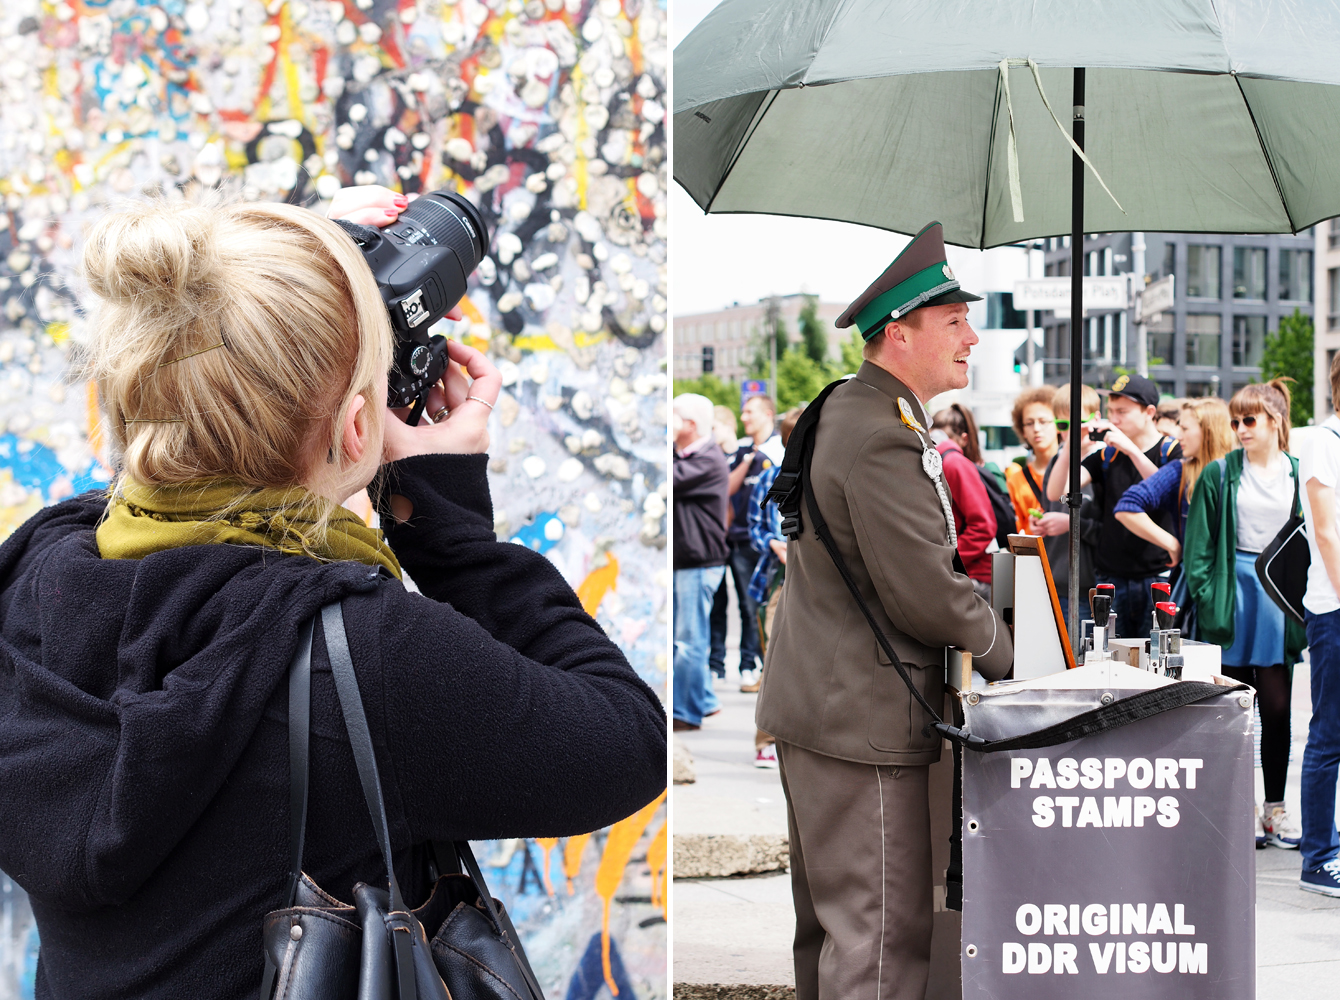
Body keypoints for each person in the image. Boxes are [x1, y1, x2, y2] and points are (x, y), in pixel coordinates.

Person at [0, 190, 667, 1000]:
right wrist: (447, 525)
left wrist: (267, 272)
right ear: (360, 429)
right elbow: (628, 744)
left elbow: (186, 424)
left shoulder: (37, 577)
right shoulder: (368, 654)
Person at [757, 222, 1012, 1000]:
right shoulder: (883, 434)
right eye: (954, 322)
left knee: (834, 938)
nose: (972, 335)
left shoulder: (854, 408)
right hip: (862, 723)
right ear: (900, 334)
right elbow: (927, 591)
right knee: (880, 942)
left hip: (825, 709)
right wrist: (1013, 653)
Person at [1183, 380, 1304, 851]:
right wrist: (1212, 597)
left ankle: (1275, 806)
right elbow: (1198, 550)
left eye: (1249, 420)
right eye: (1235, 421)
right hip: (1231, 593)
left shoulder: (1298, 470)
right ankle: (1239, 807)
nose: (1239, 429)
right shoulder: (1219, 473)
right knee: (1232, 708)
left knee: (1276, 706)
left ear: (1274, 420)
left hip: (1278, 594)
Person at [1046, 374, 1182, 638]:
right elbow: (1057, 492)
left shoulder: (1171, 450)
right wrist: (1073, 441)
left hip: (1157, 576)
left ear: (1149, 412)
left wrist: (1131, 450)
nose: (1115, 419)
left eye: (1123, 411)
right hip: (1110, 577)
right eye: (1111, 411)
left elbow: (1167, 492)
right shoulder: (1107, 455)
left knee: (1153, 655)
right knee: (1110, 658)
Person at [1298, 353, 1340, 895]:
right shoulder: (1325, 444)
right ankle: (1317, 856)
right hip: (1334, 608)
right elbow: (1327, 532)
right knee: (1329, 734)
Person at [744, 404, 806, 767]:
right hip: (776, 582)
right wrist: (773, 544)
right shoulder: (773, 475)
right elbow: (752, 527)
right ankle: (765, 741)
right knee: (774, 662)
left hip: (811, 584)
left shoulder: (824, 473)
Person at [710, 394, 782, 690]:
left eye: (749, 412)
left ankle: (752, 665)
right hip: (737, 538)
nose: (744, 418)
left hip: (764, 544)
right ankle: (722, 665)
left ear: (767, 413)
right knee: (729, 606)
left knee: (754, 607)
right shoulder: (742, 452)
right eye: (741, 412)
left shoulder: (778, 451)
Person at [1114, 397, 1233, 571]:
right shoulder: (1180, 471)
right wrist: (1172, 544)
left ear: (1208, 431)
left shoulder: (1238, 471)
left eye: (1184, 428)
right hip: (1193, 580)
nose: (1178, 436)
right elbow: (1126, 506)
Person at [673, 392, 729, 731]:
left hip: (698, 562)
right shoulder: (690, 454)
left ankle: (687, 713)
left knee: (688, 642)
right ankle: (705, 701)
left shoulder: (707, 459)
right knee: (691, 638)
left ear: (691, 424)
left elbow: (671, 479)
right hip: (691, 561)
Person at [1036, 384, 1103, 623]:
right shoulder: (1058, 459)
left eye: (1077, 425)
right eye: (1062, 426)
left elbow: (1111, 531)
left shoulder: (1104, 461)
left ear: (1095, 419)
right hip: (1056, 579)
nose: (1069, 434)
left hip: (1090, 585)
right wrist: (1042, 524)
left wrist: (1070, 523)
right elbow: (1052, 501)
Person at [931, 406, 997, 599]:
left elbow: (983, 526)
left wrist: (947, 560)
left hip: (973, 577)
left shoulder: (953, 463)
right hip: (969, 573)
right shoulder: (950, 461)